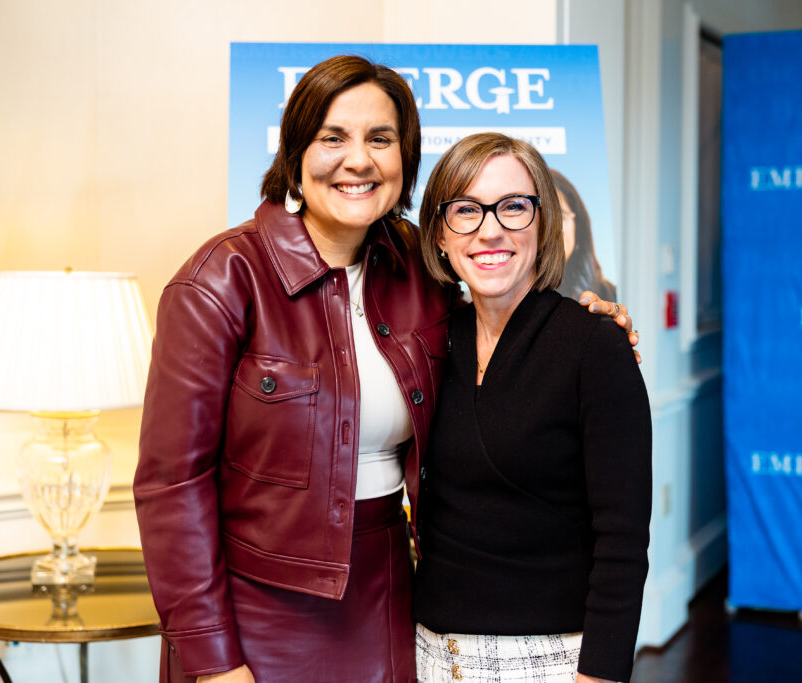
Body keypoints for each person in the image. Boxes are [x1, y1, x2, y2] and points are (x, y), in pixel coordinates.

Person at [134, 56, 636, 683]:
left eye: (381, 139)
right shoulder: (221, 280)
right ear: (295, 152)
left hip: (396, 597)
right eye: (333, 137)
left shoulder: (418, 271)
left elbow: (502, 316)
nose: (359, 160)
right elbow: (171, 488)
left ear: (407, 159)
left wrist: (591, 321)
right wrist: (213, 660)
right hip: (260, 606)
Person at [413, 133, 651, 683]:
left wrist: (600, 674)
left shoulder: (596, 344)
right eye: (466, 210)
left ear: (543, 224)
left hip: (552, 660)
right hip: (431, 651)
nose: (489, 229)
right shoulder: (428, 342)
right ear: (440, 234)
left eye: (514, 206)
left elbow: (622, 541)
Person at [552, 168, 617, 303]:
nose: (551, 229)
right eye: (542, 218)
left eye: (560, 216)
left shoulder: (610, 297)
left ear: (578, 229)